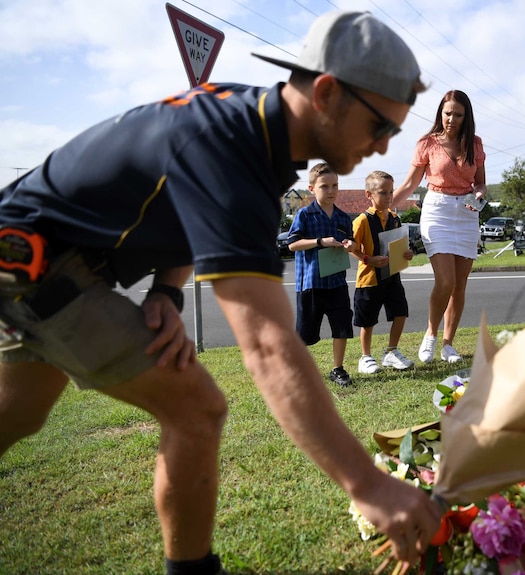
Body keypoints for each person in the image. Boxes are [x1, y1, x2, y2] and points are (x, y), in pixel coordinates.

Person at [0, 10, 440, 574]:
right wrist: (365, 483)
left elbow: (182, 203)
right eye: (381, 127)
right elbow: (265, 344)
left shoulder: (254, 127)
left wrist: (165, 290)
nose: (382, 149)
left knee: (18, 415)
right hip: (35, 260)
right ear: (327, 93)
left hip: (41, 256)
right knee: (197, 409)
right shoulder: (235, 148)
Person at [392, 90, 486, 364]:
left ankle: (448, 344)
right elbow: (410, 184)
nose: (452, 119)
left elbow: (480, 183)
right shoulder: (427, 143)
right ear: (440, 113)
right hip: (437, 210)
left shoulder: (475, 144)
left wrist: (480, 194)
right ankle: (431, 336)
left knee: (459, 286)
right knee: (445, 280)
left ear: (466, 116)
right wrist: (384, 208)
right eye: (448, 113)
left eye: (458, 114)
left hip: (467, 213)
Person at [286, 162, 356, 387]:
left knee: (342, 325)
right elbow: (292, 244)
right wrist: (319, 242)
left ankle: (338, 369)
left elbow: (353, 241)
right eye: (325, 186)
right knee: (305, 332)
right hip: (310, 284)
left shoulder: (344, 218)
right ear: (311, 189)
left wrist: (351, 245)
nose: (331, 190)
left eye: (335, 185)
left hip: (337, 281)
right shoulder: (305, 215)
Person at [351, 171, 415, 374]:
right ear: (369, 194)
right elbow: (351, 247)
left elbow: (398, 245)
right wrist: (368, 259)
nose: (388, 196)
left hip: (392, 275)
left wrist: (406, 254)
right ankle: (365, 357)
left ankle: (391, 352)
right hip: (369, 279)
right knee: (367, 320)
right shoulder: (362, 220)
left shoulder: (396, 218)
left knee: (400, 312)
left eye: (391, 192)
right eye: (383, 192)